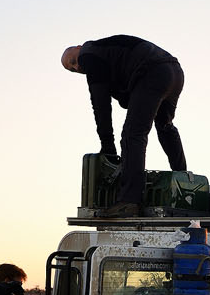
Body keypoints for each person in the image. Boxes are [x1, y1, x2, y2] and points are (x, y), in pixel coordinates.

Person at [60, 35, 187, 218]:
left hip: (151, 71)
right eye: (72, 69)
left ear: (79, 47)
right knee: (165, 126)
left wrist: (108, 147)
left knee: (132, 135)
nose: (77, 67)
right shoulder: (108, 52)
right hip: (174, 72)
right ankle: (183, 180)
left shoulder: (89, 55)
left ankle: (129, 201)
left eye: (73, 61)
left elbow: (101, 106)